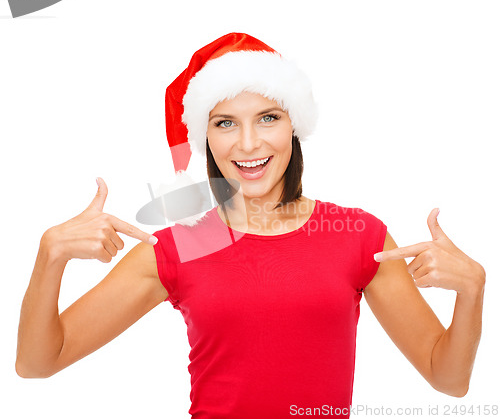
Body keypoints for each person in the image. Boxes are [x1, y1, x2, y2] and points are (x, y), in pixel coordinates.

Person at [15, 32, 486, 419]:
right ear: (205, 136)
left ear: (293, 126)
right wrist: (50, 256)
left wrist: (472, 291)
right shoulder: (182, 247)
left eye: (267, 117)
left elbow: (447, 379)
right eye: (224, 123)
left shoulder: (359, 237)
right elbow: (38, 363)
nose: (247, 143)